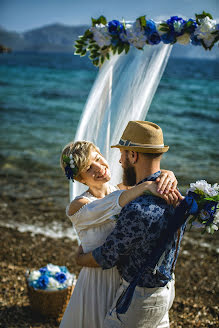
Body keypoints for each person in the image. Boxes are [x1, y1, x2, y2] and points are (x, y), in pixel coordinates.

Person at [59, 139, 181, 328]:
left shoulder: (121, 190)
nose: (100, 167)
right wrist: (145, 186)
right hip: (97, 281)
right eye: (89, 168)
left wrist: (167, 174)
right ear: (81, 179)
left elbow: (129, 190)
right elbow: (113, 203)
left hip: (122, 277)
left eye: (99, 159)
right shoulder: (79, 206)